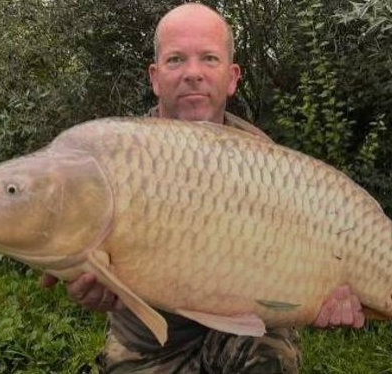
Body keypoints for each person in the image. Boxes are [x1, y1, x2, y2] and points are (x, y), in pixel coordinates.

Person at [40, 3, 365, 373]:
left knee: (273, 355)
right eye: (176, 60)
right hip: (153, 344)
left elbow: (305, 255)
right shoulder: (117, 158)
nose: (193, 73)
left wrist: (326, 293)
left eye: (209, 59)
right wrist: (90, 283)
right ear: (155, 76)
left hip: (246, 329)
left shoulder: (264, 158)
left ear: (232, 76)